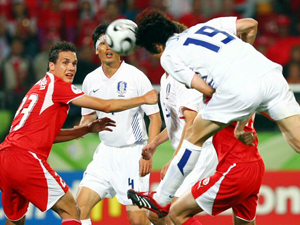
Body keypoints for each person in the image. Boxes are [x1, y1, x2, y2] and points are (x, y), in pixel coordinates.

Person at [128, 8, 300, 224]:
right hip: (268, 73)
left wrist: (235, 93)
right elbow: (251, 24)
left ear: (156, 46)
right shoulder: (204, 27)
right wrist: (243, 63)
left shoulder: (170, 55)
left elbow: (207, 90)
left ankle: (162, 199)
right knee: (297, 141)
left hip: (239, 91)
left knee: (194, 135)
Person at [0, 41, 158, 225]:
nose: (71, 68)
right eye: (65, 62)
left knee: (15, 219)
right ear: (51, 66)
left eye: (74, 64)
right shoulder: (58, 86)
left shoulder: (39, 86)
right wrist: (144, 98)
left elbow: (48, 135)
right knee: (72, 210)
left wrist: (85, 129)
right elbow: (106, 106)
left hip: (4, 158)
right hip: (26, 159)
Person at [75, 24, 162, 225]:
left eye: (112, 44)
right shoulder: (90, 80)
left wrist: (148, 152)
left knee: (137, 219)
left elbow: (155, 118)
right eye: (103, 44)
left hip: (132, 154)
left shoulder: (136, 76)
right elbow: (88, 116)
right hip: (105, 154)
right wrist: (79, 129)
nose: (108, 48)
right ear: (96, 49)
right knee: (79, 208)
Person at [137, 70, 218, 225]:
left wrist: (174, 160)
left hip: (199, 152)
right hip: (186, 152)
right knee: (155, 214)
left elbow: (191, 123)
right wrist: (154, 143)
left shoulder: (185, 77)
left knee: (174, 210)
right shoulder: (164, 78)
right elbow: (176, 124)